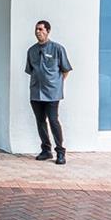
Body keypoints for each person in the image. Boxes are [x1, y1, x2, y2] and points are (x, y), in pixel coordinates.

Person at [24, 19, 71, 164]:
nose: (38, 32)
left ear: (48, 31)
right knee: (40, 121)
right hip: (36, 92)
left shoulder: (57, 49)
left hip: (52, 93)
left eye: (41, 29)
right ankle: (46, 150)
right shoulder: (31, 51)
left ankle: (60, 152)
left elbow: (65, 70)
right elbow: (30, 70)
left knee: (53, 120)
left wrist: (56, 84)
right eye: (36, 29)